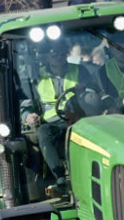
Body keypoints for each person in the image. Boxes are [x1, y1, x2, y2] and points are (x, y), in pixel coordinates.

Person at [25, 42, 84, 177]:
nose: (59, 57)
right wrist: (28, 116)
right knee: (43, 132)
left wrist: (85, 92)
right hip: (52, 124)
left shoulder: (80, 71)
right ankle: (60, 177)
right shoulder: (37, 78)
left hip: (77, 120)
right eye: (54, 54)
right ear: (46, 56)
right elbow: (27, 104)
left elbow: (94, 93)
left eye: (62, 53)